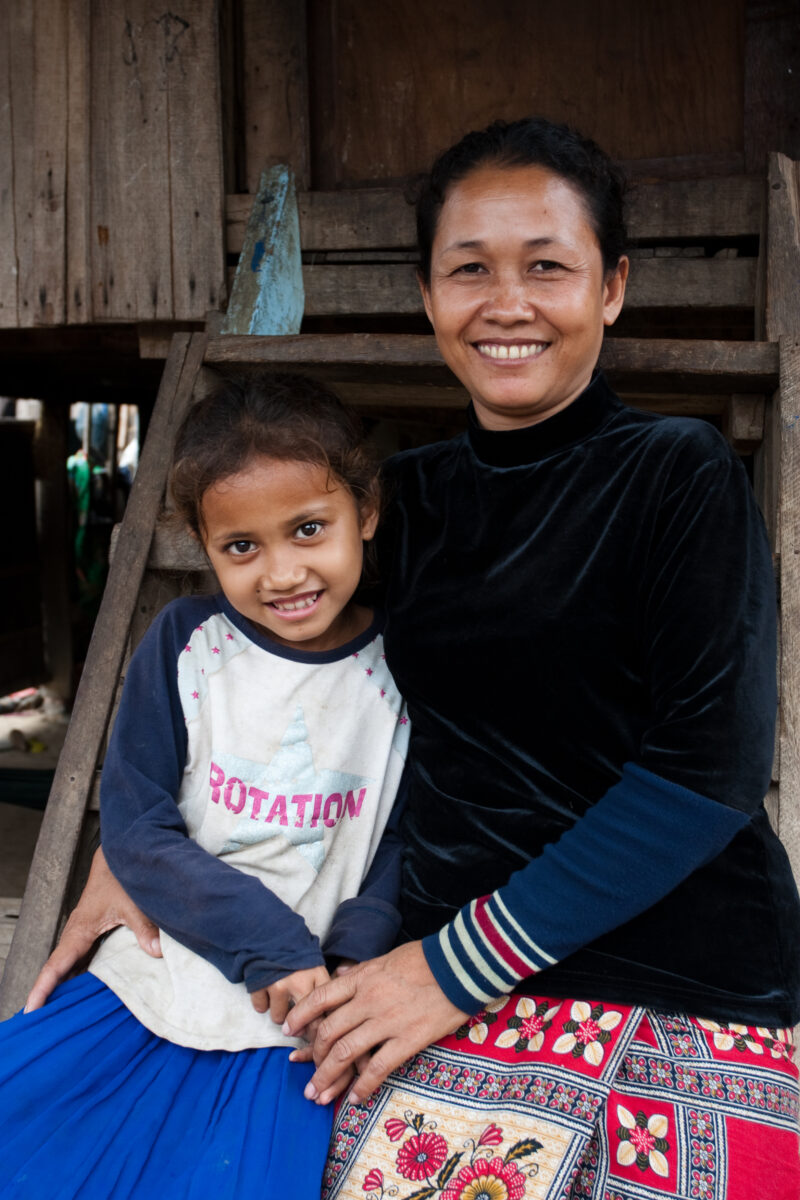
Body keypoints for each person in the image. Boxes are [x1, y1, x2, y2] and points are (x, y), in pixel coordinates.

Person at [26, 118, 800, 1198]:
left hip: (666, 964)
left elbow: (702, 773)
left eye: (547, 266)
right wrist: (138, 833)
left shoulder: (676, 475)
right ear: (429, 298)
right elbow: (261, 659)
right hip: (410, 964)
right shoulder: (410, 502)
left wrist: (449, 970)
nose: (507, 302)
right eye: (468, 270)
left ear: (611, 287)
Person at [0, 373, 410, 1198]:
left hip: (301, 1016)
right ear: (201, 541)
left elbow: (403, 840)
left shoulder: (404, 665)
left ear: (365, 513)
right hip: (155, 980)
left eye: (308, 529)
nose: (282, 572)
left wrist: (348, 963)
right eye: (241, 547)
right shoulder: (186, 644)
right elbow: (137, 826)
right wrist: (270, 944)